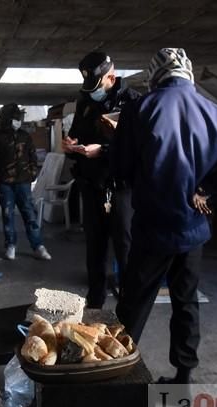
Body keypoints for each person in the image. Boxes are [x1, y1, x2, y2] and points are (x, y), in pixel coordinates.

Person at [112, 48, 217, 384]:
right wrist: (207, 188)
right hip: (193, 229)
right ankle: (183, 379)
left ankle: (114, 376)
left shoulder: (139, 110)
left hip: (153, 228)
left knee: (134, 303)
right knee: (186, 302)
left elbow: (119, 168)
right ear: (188, 74)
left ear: (155, 76)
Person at [62, 52, 141, 309]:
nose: (92, 92)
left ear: (112, 77)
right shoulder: (85, 101)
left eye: (97, 86)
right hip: (91, 185)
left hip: (120, 189)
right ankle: (95, 304)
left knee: (125, 248)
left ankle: (129, 304)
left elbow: (141, 149)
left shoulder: (134, 103)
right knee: (95, 248)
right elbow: (76, 132)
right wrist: (70, 143)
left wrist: (103, 151)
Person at [0, 103, 52, 261]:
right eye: (15, 118)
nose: (18, 121)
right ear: (7, 119)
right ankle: (10, 246)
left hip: (24, 184)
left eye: (19, 118)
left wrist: (32, 175)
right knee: (8, 216)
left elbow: (33, 157)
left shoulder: (24, 136)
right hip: (5, 184)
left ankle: (38, 246)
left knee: (30, 215)